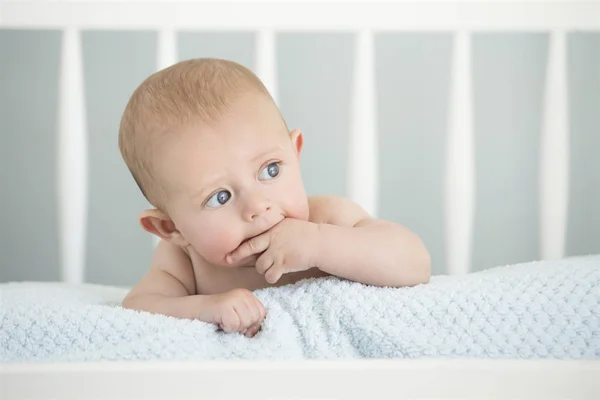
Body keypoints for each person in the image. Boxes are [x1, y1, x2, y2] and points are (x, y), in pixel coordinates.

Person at [118, 58, 431, 337]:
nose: (257, 207)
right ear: (171, 229)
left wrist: (320, 244)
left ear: (294, 154)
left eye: (270, 170)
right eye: (221, 197)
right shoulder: (183, 260)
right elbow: (139, 308)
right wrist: (204, 308)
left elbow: (415, 263)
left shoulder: (328, 219)